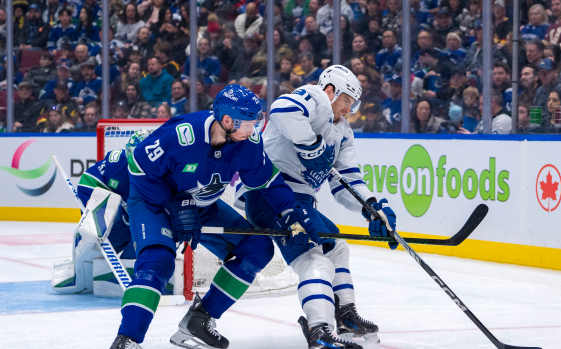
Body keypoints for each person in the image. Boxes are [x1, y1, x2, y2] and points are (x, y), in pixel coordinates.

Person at [110, 84, 321, 349]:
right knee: (158, 262)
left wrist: (290, 212)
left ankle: (200, 320)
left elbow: (268, 181)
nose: (253, 129)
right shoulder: (181, 134)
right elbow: (138, 167)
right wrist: (176, 204)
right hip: (153, 202)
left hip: (202, 205)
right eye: (248, 123)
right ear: (227, 120)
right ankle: (127, 339)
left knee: (256, 248)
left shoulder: (248, 144)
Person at [242, 65, 397, 349]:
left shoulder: (343, 134)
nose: (348, 109)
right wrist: (311, 145)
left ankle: (345, 315)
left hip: (299, 201)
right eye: (346, 100)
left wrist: (371, 207)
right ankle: (319, 330)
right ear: (330, 91)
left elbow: (346, 183)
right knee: (313, 256)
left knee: (336, 246)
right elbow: (281, 109)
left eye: (353, 104)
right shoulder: (314, 98)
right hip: (272, 195)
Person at [51, 146, 135, 293]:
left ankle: (108, 266)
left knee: (129, 230)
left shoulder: (141, 161)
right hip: (92, 188)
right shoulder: (119, 168)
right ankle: (81, 270)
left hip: (110, 192)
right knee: (96, 233)